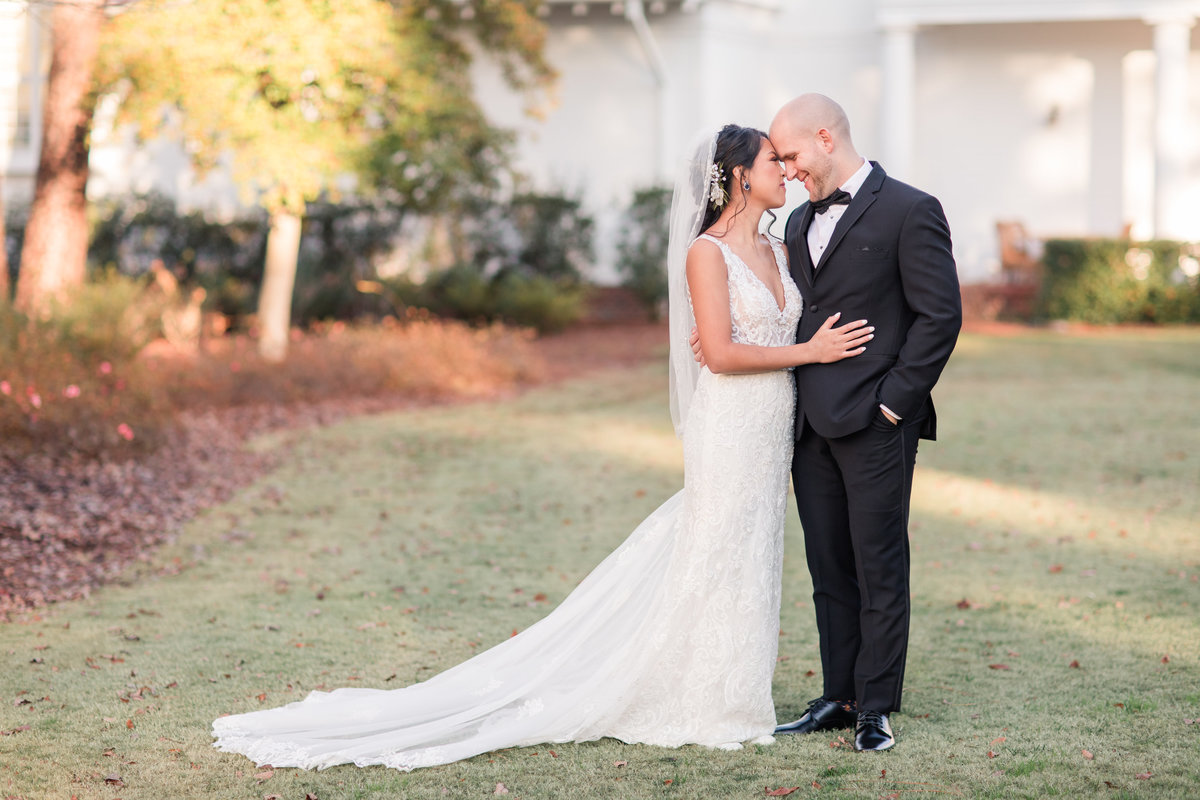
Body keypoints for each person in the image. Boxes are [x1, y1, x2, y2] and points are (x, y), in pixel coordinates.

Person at [209, 123, 873, 772]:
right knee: (715, 545)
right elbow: (723, 354)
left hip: (772, 426)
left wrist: (800, 349)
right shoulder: (707, 252)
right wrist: (804, 351)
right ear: (736, 178)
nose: (783, 172)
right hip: (729, 423)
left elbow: (769, 329)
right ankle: (702, 699)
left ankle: (733, 692)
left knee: (748, 551)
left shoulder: (782, 247)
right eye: (770, 162)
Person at [765, 94, 961, 751]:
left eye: (791, 155)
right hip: (807, 426)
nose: (787, 169)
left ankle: (876, 705)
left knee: (879, 565)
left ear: (825, 137)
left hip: (877, 421)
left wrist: (894, 403)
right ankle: (838, 697)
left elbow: (940, 317)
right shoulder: (795, 222)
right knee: (828, 567)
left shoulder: (911, 209)